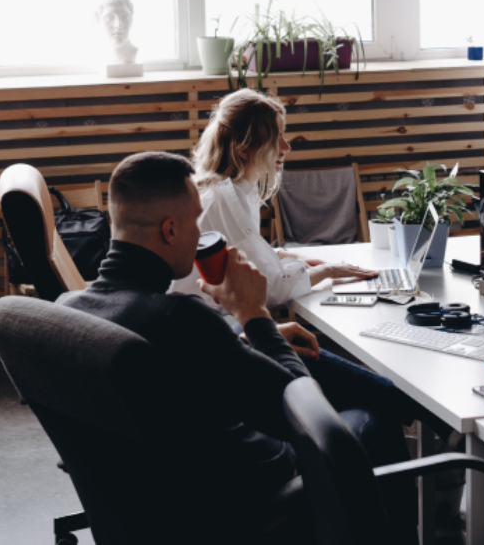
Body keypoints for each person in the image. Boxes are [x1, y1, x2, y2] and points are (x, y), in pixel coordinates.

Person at [62, 152, 419, 540]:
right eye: (197, 219)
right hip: (244, 504)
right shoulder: (179, 317)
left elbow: (174, 369)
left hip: (152, 504)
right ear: (170, 230)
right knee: (371, 418)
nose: (203, 233)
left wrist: (240, 338)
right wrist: (254, 314)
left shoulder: (70, 311)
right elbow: (298, 409)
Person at [170, 87, 377, 306]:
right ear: (244, 149)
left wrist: (291, 257)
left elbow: (247, 251)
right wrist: (330, 270)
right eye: (276, 138)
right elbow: (270, 289)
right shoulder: (227, 200)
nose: (286, 147)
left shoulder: (234, 191)